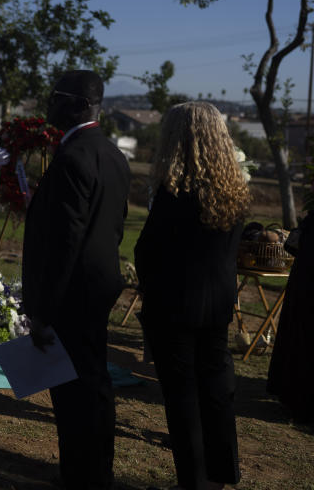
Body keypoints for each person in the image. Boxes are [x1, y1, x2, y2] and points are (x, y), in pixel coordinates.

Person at [22, 70, 130, 490]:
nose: (50, 105)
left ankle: (80, 474)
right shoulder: (112, 154)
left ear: (82, 105)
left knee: (72, 391)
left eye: (57, 97)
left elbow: (65, 242)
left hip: (72, 293)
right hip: (99, 284)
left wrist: (44, 309)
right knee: (95, 384)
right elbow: (115, 226)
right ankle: (95, 470)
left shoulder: (73, 157)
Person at [134, 102, 250, 490]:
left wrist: (148, 283)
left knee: (183, 395)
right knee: (215, 387)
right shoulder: (234, 189)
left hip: (176, 303)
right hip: (217, 301)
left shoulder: (174, 192)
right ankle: (222, 472)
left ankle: (194, 480)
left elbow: (148, 249)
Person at [267, 211, 314, 425]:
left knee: (301, 340)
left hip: (306, 286)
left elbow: (293, 245)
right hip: (305, 283)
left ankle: (298, 401)